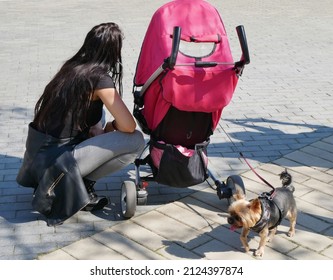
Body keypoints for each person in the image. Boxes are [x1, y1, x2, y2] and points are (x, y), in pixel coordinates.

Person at [16, 22, 145, 226]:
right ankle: (81, 184)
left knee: (100, 111)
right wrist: (110, 129)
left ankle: (77, 178)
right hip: (58, 163)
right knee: (136, 140)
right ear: (113, 51)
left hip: (39, 157)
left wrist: (99, 129)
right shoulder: (100, 79)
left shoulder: (72, 67)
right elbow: (128, 126)